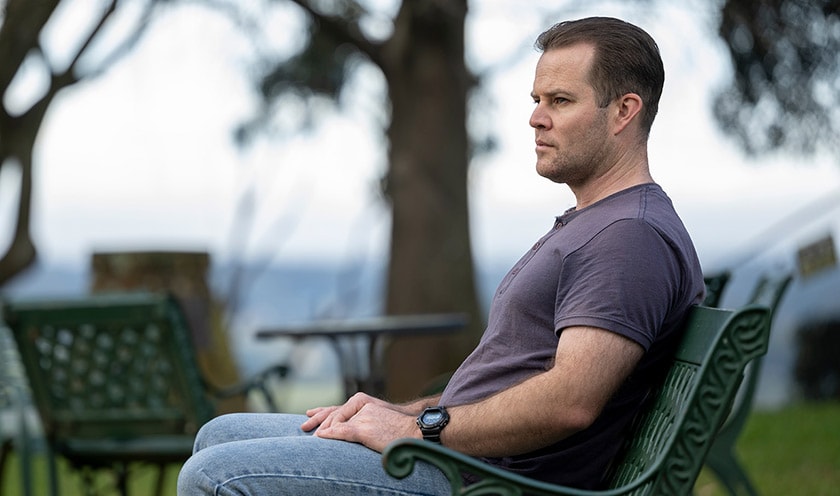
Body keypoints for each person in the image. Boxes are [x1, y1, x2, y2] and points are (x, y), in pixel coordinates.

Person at [177, 16, 705, 495]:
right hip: (468, 460)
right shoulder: (604, 223)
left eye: (560, 101)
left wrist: (414, 429)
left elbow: (570, 400)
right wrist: (393, 412)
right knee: (220, 432)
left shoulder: (629, 237)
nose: (535, 119)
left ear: (624, 112)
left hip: (488, 482)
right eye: (536, 99)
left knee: (215, 476)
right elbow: (510, 379)